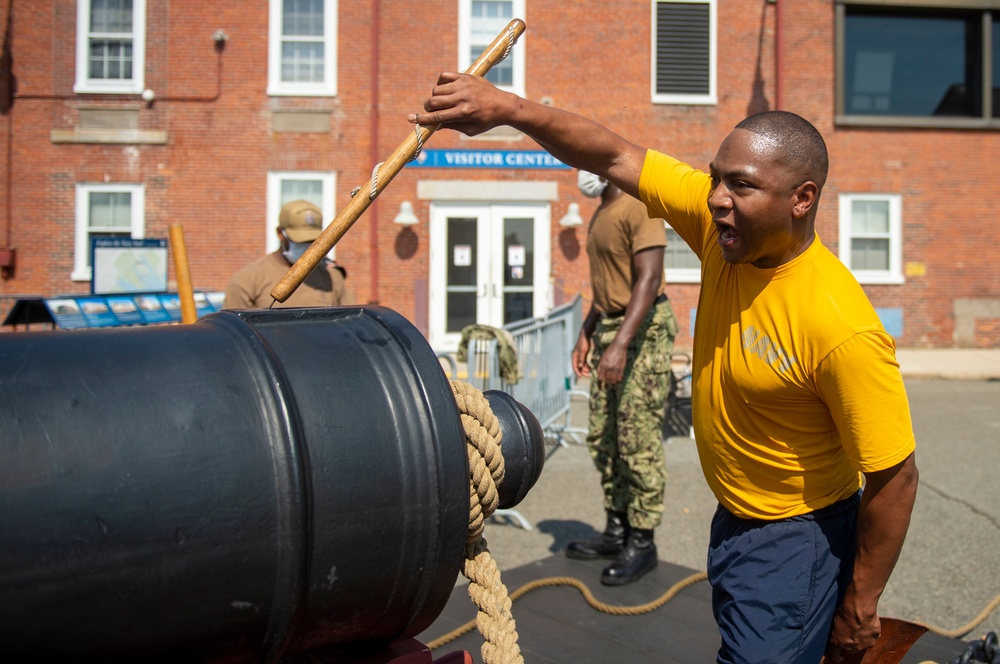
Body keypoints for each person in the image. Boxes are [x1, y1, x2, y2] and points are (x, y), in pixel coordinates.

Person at [409, 74, 918, 663]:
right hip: (735, 520)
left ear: (802, 198)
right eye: (716, 177)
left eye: (742, 186)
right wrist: (509, 109)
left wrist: (860, 602)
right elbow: (614, 153)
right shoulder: (720, 231)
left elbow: (895, 477)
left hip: (795, 539)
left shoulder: (839, 326)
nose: (717, 198)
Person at [564, 169, 678, 587]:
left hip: (642, 329)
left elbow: (647, 280)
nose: (578, 173)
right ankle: (617, 529)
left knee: (637, 437)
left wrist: (620, 344)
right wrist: (587, 331)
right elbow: (608, 285)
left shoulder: (639, 206)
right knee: (604, 435)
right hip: (611, 325)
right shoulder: (600, 213)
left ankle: (642, 539)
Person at [224, 199, 348, 309]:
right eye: (300, 240)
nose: (307, 246)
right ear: (280, 233)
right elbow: (233, 332)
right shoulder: (246, 281)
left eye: (313, 240)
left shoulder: (332, 277)